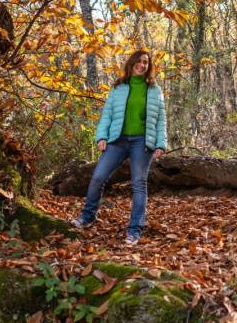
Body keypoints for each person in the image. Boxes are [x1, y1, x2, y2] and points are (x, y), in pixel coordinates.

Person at [71, 48, 167, 245]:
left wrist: (161, 144)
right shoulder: (118, 87)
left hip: (142, 142)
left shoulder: (155, 90)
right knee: (98, 177)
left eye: (145, 63)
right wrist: (101, 136)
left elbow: (161, 120)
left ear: (149, 67)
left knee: (139, 184)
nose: (142, 65)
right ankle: (87, 217)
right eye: (138, 61)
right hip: (117, 139)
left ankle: (134, 230)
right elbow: (107, 114)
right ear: (131, 64)